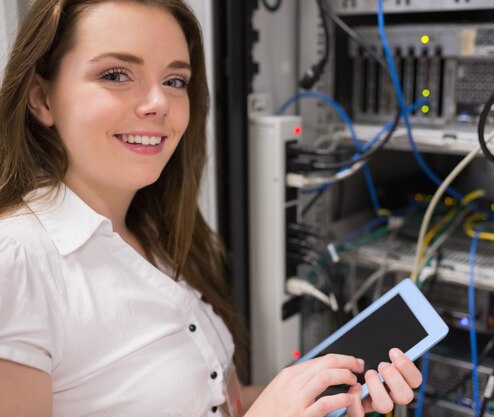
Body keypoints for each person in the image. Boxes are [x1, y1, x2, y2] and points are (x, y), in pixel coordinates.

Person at [0, 1, 422, 416]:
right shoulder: (17, 260)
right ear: (42, 98)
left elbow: (214, 404)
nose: (158, 103)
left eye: (175, 81)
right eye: (116, 74)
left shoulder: (155, 234)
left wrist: (317, 396)